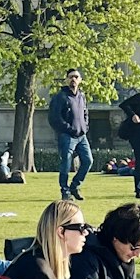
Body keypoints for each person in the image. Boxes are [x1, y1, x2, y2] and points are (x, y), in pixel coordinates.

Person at [8, 198, 131, 279]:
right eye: (81, 228)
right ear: (61, 232)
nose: (86, 233)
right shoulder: (35, 270)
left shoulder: (53, 264)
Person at [49, 69, 93, 202]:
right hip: (67, 136)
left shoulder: (81, 96)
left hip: (81, 136)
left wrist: (85, 127)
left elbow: (85, 113)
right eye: (70, 77)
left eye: (76, 77)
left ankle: (75, 186)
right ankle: (65, 190)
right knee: (66, 163)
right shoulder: (60, 97)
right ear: (66, 80)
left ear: (80, 80)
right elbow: (54, 118)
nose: (73, 79)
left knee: (88, 161)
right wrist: (69, 129)